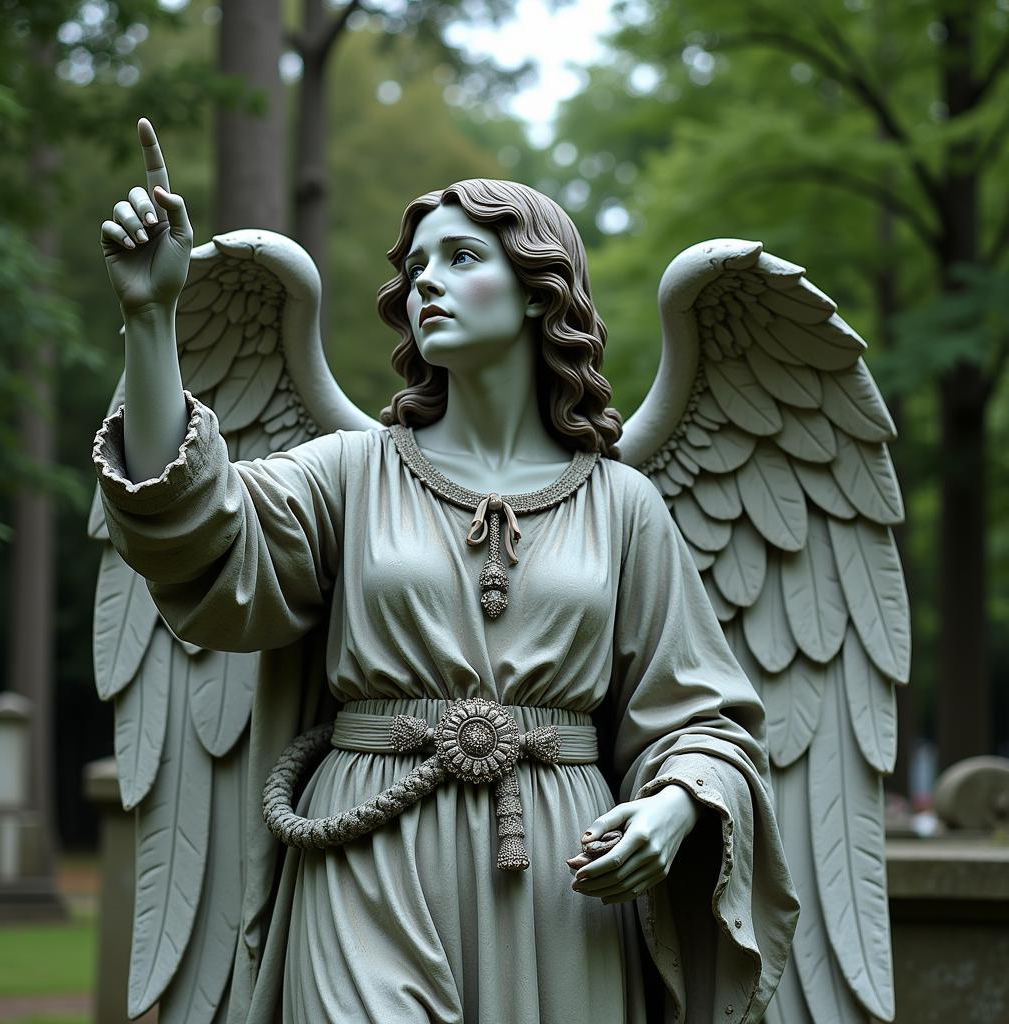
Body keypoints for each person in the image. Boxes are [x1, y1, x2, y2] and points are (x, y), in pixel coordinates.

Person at [94, 119, 797, 1023]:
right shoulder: (349, 471)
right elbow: (188, 527)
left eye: (462, 256)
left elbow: (705, 716)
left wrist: (673, 807)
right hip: (369, 849)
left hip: (559, 875)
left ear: (543, 294)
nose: (426, 279)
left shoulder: (625, 506)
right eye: (418, 264)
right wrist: (151, 318)